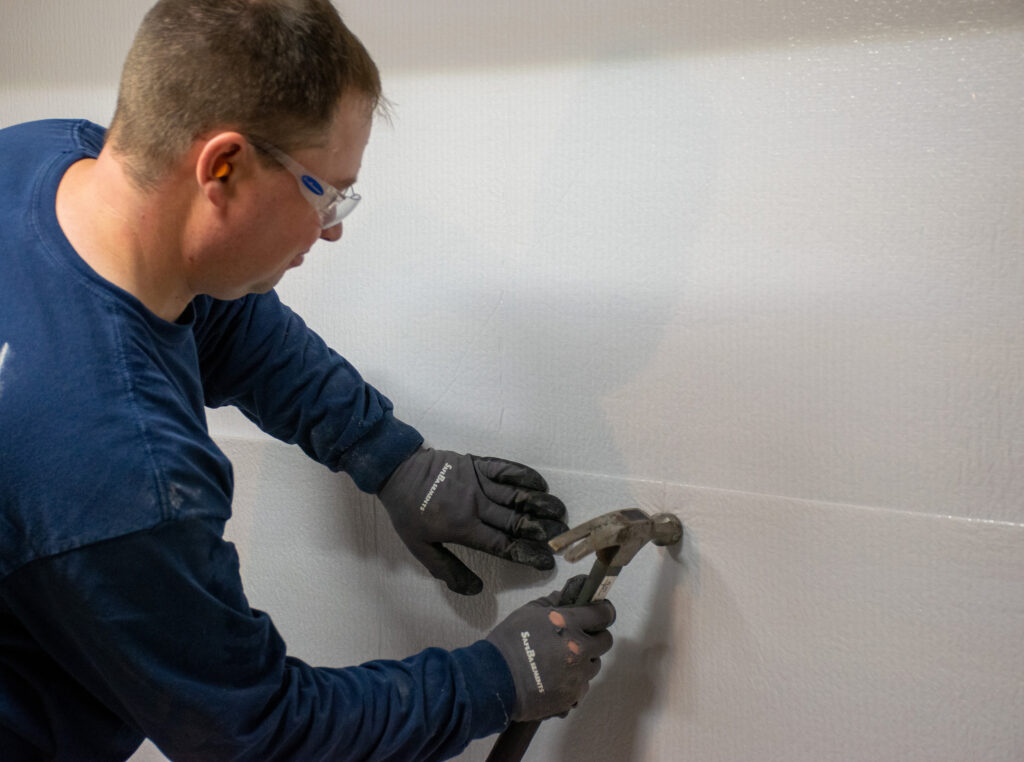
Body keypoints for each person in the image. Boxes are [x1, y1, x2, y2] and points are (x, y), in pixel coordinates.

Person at [0, 1, 616, 760]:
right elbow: (257, 733)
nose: (333, 228)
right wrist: (489, 680)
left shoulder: (40, 163)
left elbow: (217, 318)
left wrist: (387, 455)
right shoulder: (122, 470)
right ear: (220, 166)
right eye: (324, 191)